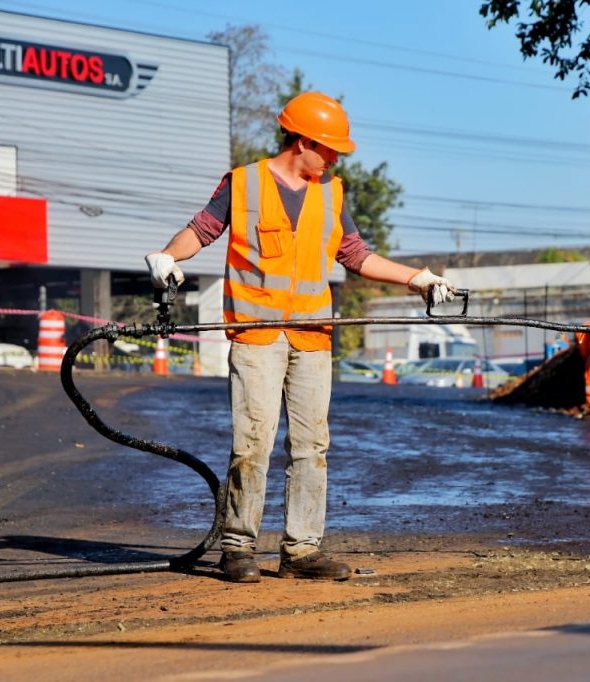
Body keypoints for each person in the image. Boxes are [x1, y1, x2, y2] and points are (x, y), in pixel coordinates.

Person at [145, 92, 457, 583]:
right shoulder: (243, 184)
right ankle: (237, 549)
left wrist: (418, 278)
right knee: (253, 442)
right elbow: (202, 230)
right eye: (330, 150)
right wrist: (167, 256)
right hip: (256, 336)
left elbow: (356, 255)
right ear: (303, 141)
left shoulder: (331, 194)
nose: (334, 159)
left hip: (312, 338)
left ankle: (302, 551)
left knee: (312, 446)